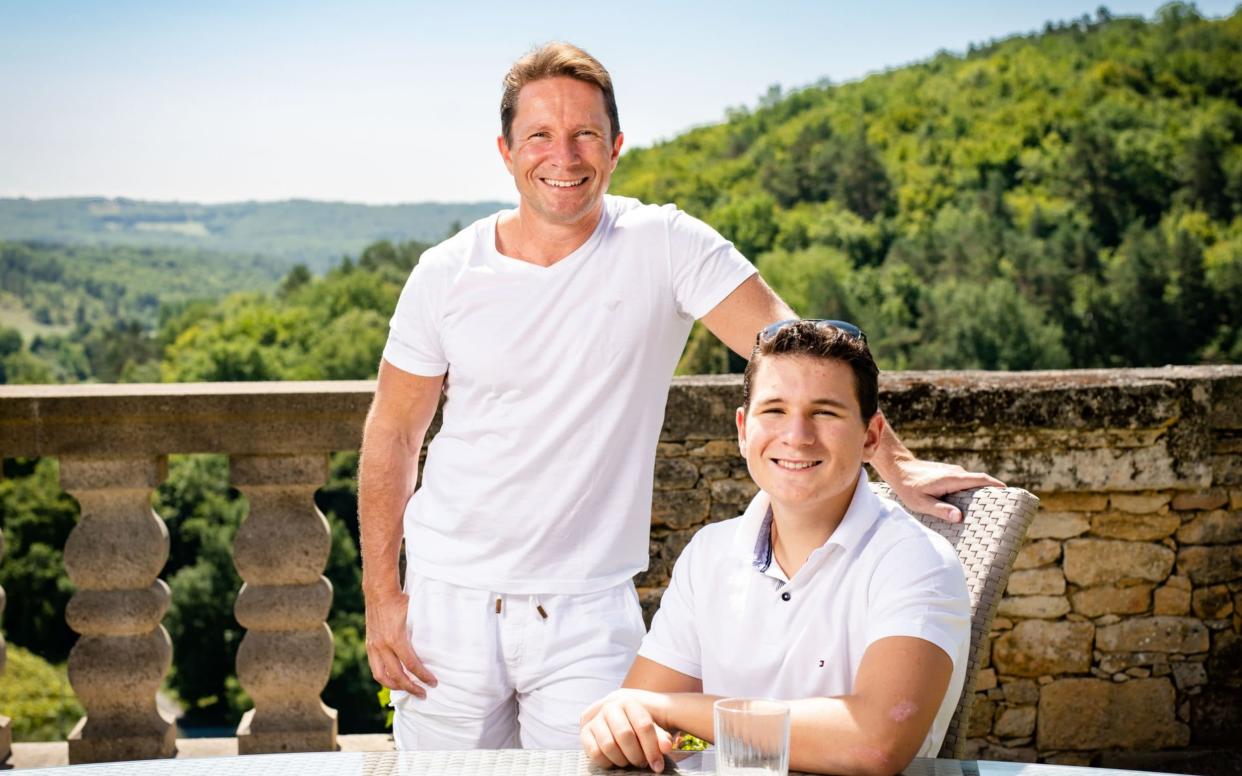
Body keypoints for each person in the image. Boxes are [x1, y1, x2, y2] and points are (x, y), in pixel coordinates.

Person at [359, 41, 998, 750]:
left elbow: (802, 357)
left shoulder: (664, 244)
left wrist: (895, 462)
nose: (563, 157)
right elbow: (393, 434)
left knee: (610, 767)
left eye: (585, 136)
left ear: (617, 146)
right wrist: (382, 597)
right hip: (447, 604)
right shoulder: (444, 274)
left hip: (587, 611)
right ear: (506, 150)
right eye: (540, 135)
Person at [579, 319, 970, 776]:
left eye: (824, 412)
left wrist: (671, 710)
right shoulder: (710, 553)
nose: (796, 436)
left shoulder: (916, 562)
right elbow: (648, 727)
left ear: (870, 436)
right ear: (744, 430)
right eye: (775, 410)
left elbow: (874, 744)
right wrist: (627, 727)